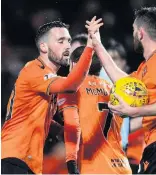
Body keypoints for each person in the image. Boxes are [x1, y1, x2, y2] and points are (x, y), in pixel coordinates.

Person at [86, 7, 156, 173]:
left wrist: (134, 110)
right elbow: (121, 80)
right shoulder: (147, 67)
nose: (133, 35)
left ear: (140, 33)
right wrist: (97, 44)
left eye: (133, 30)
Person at [1, 17, 103, 174]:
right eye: (60, 41)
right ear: (43, 46)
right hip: (13, 158)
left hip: (27, 162)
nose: (68, 46)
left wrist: (60, 131)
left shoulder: (49, 80)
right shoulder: (34, 70)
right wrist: (90, 46)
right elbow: (71, 84)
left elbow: (33, 116)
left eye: (69, 40)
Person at [57, 45, 132, 174]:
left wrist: (71, 163)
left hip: (94, 167)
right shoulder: (113, 89)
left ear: (75, 65)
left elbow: (72, 126)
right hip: (121, 166)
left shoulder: (72, 88)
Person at [99, 38, 130, 152]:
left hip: (122, 150)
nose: (110, 64)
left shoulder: (133, 87)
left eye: (115, 59)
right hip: (104, 149)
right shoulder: (97, 83)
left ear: (124, 62)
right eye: (108, 59)